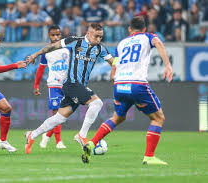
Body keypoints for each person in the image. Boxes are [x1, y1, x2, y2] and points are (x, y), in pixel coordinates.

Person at [81, 16, 173, 165]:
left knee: (117, 118)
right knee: (158, 118)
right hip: (137, 84)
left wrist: (113, 73)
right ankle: (149, 157)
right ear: (144, 29)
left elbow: (115, 61)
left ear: (129, 29)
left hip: (120, 84)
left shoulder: (122, 43)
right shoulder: (148, 37)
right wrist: (168, 65)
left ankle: (91, 143)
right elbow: (158, 42)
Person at [25, 23, 114, 154]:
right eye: (96, 36)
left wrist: (119, 68)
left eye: (101, 37)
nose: (99, 40)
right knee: (97, 103)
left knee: (59, 118)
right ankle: (82, 135)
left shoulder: (100, 49)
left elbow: (113, 61)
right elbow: (52, 47)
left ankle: (32, 135)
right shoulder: (74, 41)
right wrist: (35, 55)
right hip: (71, 84)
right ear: (88, 34)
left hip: (79, 86)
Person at [34, 25, 68, 149]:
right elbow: (41, 69)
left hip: (67, 84)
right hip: (54, 84)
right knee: (56, 114)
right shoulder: (46, 51)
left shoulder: (68, 48)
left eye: (58, 34)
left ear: (61, 35)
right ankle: (58, 141)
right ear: (49, 36)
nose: (55, 37)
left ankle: (47, 135)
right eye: (53, 35)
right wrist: (36, 85)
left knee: (63, 115)